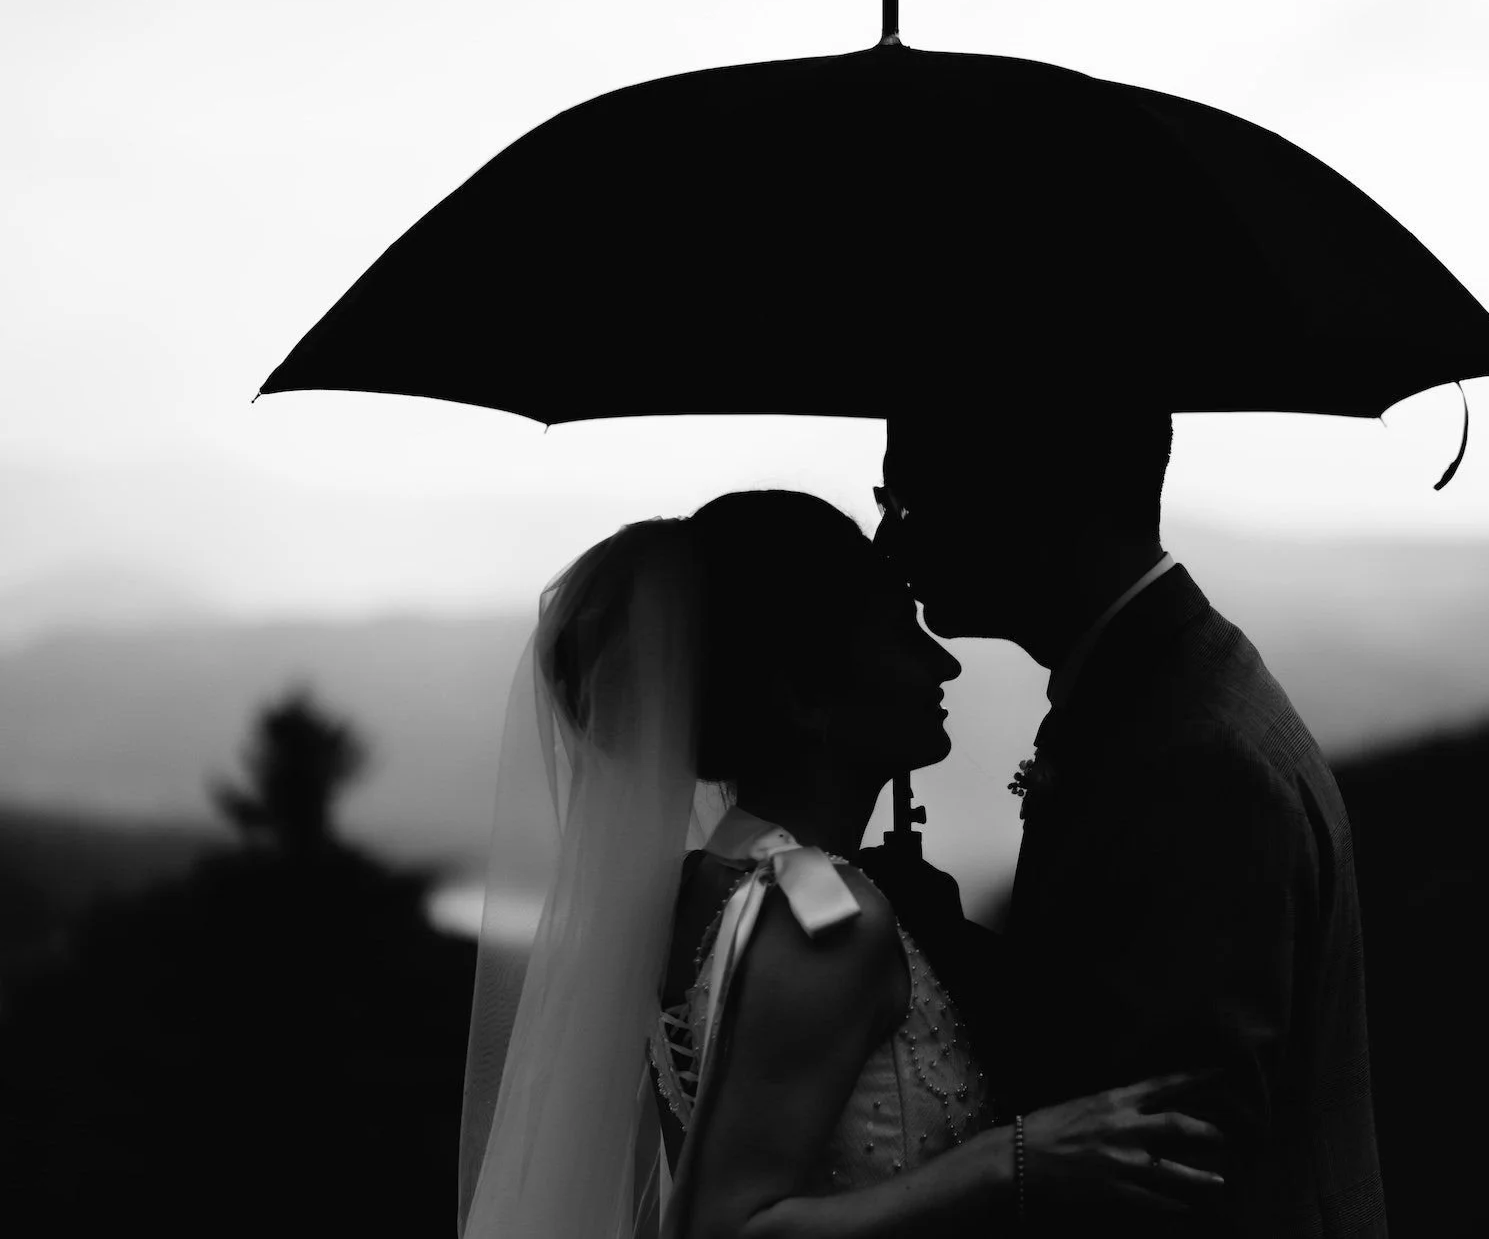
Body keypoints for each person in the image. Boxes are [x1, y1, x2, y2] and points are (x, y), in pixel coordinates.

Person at [456, 490, 1226, 1239]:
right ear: (804, 699)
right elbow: (725, 1224)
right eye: (898, 633)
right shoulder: (826, 919)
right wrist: (1012, 1161)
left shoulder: (703, 882)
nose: (942, 663)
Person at [871, 405, 1389, 1238]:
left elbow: (1167, 1158)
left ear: (1030, 499)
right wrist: (945, 943)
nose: (887, 542)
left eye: (906, 501)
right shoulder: (1160, 694)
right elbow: (1103, 1022)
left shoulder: (1195, 757)